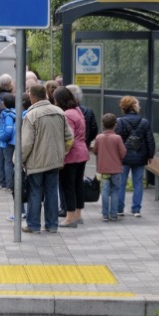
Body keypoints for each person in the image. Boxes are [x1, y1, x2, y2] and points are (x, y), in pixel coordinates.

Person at [19, 83, 71, 234]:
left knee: (35, 192)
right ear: (46, 95)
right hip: (55, 161)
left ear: (32, 96)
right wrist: (62, 153)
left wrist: (19, 160)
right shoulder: (59, 112)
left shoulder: (31, 115)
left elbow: (26, 143)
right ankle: (52, 225)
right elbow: (69, 137)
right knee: (52, 192)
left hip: (36, 162)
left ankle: (34, 225)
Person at [53, 85, 89, 227]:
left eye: (55, 99)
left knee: (68, 186)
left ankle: (69, 218)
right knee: (78, 185)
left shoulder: (67, 114)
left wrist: (62, 156)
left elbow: (69, 138)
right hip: (82, 152)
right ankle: (77, 215)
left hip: (72, 155)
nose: (54, 102)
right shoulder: (77, 110)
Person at [116, 95, 155, 217]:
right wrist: (150, 155)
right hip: (140, 156)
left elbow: (117, 139)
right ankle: (136, 209)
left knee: (121, 183)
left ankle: (119, 209)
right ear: (134, 106)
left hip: (123, 157)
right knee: (138, 183)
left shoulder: (119, 121)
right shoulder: (144, 122)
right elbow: (150, 140)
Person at [91, 113, 127, 222]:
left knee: (105, 191)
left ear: (103, 125)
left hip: (104, 169)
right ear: (115, 125)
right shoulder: (117, 138)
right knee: (115, 190)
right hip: (116, 169)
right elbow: (123, 153)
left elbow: (95, 151)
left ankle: (105, 214)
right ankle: (114, 214)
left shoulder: (99, 137)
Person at [0, 73, 15, 187]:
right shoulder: (9, 99)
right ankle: (8, 183)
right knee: (7, 160)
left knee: (1, 159)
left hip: (0, 134)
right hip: (4, 136)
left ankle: (3, 181)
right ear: (10, 84)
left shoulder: (0, 97)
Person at [0, 92, 18, 200]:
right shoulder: (16, 112)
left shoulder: (7, 114)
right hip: (14, 141)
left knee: (7, 163)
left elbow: (8, 130)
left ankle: (8, 185)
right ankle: (9, 183)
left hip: (7, 143)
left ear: (4, 103)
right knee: (11, 162)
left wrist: (1, 137)